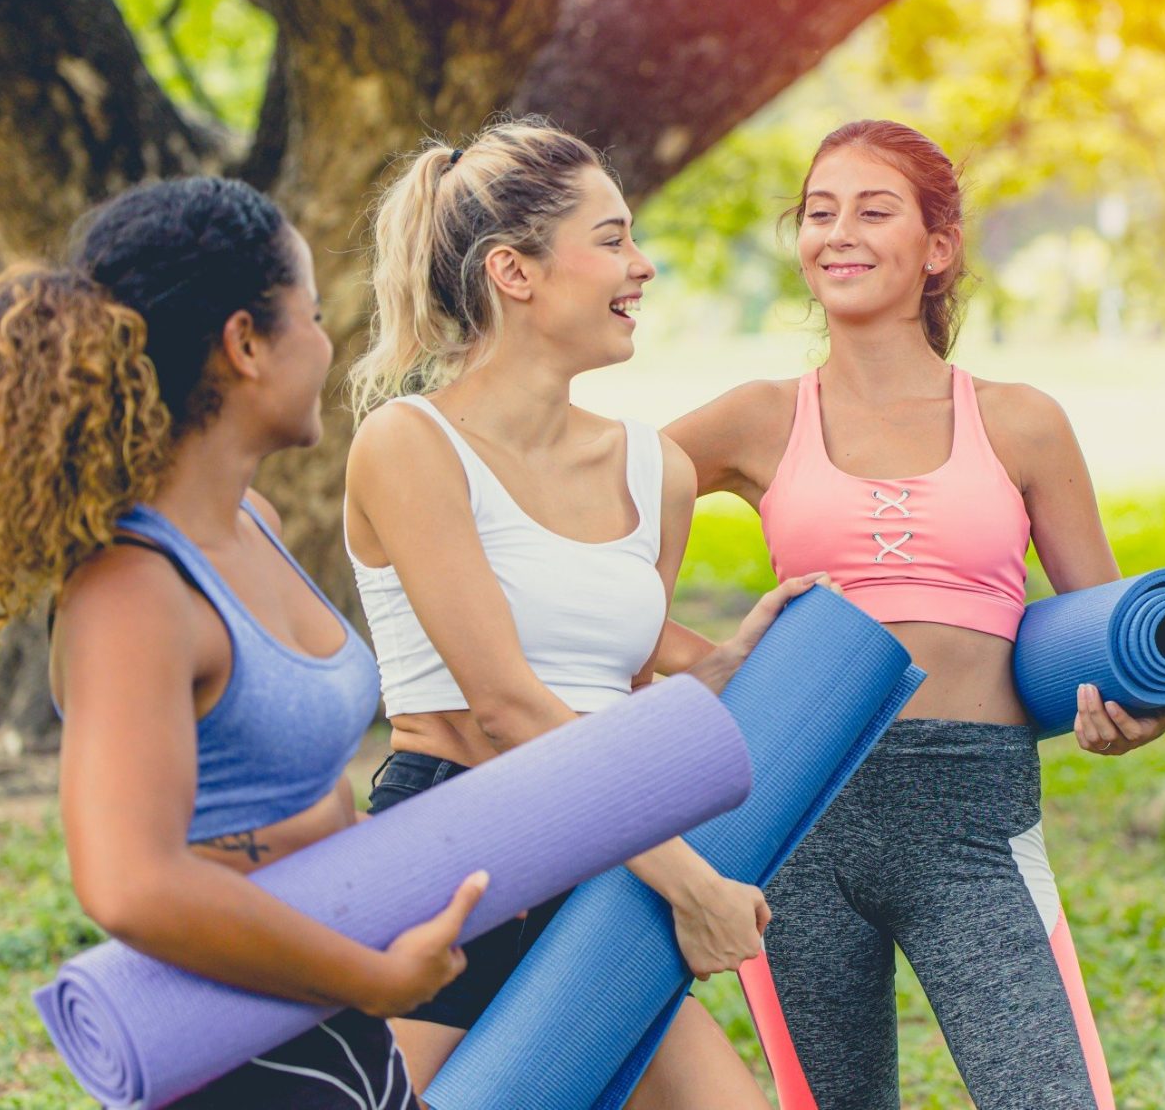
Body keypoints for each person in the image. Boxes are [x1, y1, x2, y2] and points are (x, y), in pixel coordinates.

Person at [0, 178, 485, 1107]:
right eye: (307, 314)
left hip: (332, 1014)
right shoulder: (134, 590)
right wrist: (367, 979)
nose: (325, 340)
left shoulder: (250, 523)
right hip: (239, 1048)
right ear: (246, 344)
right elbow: (129, 884)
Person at [663, 119, 1165, 1110]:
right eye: (818, 212)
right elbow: (596, 525)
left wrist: (1145, 711)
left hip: (974, 816)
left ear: (937, 247)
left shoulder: (1022, 420)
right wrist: (709, 657)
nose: (837, 232)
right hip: (802, 810)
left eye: (872, 208)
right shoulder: (756, 417)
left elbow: (1115, 639)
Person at [345, 115, 821, 1105]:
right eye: (611, 238)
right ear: (515, 272)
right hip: (457, 858)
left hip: (604, 855)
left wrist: (722, 666)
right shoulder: (408, 444)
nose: (641, 265)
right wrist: (694, 885)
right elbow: (505, 708)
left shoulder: (660, 470)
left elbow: (618, 678)